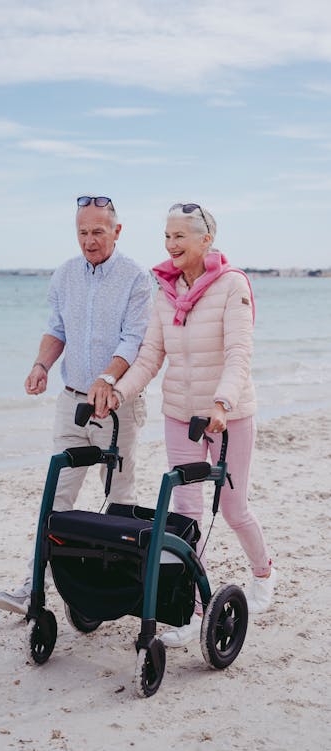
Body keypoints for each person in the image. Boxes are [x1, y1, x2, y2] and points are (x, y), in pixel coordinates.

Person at [88, 202, 277, 647]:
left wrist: (222, 402)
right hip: (179, 414)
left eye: (180, 237)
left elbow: (238, 354)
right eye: (167, 237)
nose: (171, 245)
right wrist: (119, 392)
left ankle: (264, 573)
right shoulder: (165, 292)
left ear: (205, 240)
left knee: (233, 509)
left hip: (228, 415)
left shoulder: (233, 286)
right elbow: (151, 356)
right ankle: (192, 608)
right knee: (187, 516)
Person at [0, 195, 153, 615]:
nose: (89, 240)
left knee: (120, 499)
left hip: (116, 405)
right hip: (70, 405)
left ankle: (124, 585)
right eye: (82, 232)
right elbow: (56, 329)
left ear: (117, 231)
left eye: (98, 232)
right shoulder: (64, 275)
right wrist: (41, 364)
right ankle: (35, 587)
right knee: (57, 497)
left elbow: (133, 340)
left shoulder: (137, 278)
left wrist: (108, 378)